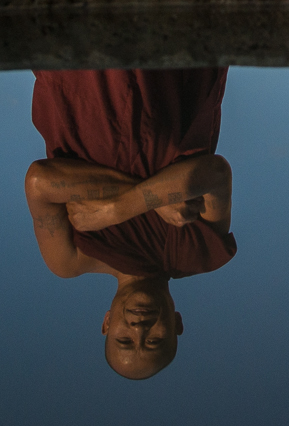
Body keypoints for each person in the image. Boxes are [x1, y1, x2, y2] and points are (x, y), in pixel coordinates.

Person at [24, 68, 236, 380]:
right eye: (154, 341)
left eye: (124, 340)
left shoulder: (69, 259)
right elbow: (215, 175)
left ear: (107, 324)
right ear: (176, 324)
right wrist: (132, 204)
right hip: (168, 72)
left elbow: (40, 181)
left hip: (80, 78)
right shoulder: (199, 254)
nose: (139, 329)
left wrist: (139, 200)